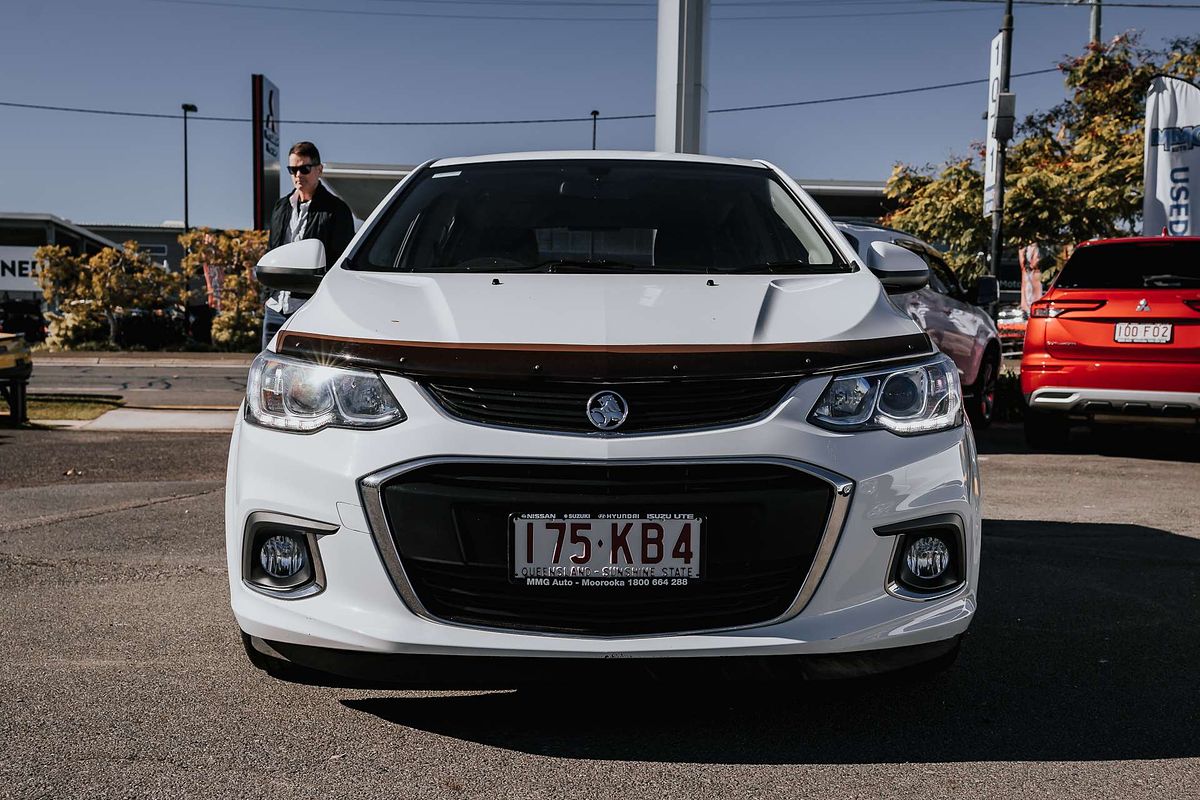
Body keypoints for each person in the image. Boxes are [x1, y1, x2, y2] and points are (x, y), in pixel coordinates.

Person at [262, 141, 355, 349]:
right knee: (269, 373)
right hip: (275, 307)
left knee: (304, 376)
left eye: (304, 168)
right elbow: (272, 251)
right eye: (292, 169)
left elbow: (340, 261)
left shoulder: (336, 210)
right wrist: (266, 295)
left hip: (309, 308)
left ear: (319, 170)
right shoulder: (281, 207)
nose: (298, 175)